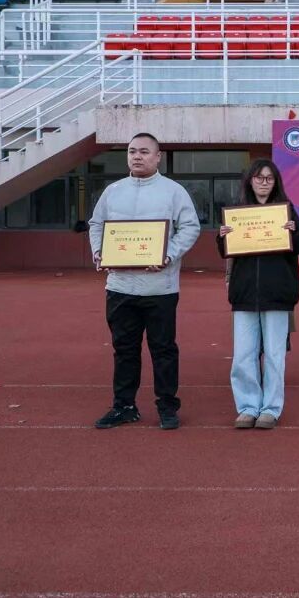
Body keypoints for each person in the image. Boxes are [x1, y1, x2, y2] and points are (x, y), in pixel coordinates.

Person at [88, 132, 201, 430]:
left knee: (163, 350)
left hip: (159, 287)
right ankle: (124, 406)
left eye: (144, 152)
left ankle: (167, 406)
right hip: (120, 286)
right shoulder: (113, 191)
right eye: (132, 151)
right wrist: (99, 252)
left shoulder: (173, 191)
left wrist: (168, 254)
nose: (137, 157)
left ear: (157, 156)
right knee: (124, 350)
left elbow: (190, 227)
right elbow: (96, 224)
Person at [216, 159, 299, 430]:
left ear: (276, 182)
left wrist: (293, 232)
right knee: (243, 355)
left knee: (274, 355)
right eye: (259, 177)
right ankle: (247, 407)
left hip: (277, 294)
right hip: (244, 294)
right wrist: (222, 237)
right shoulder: (237, 212)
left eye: (269, 178)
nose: (264, 182)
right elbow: (226, 251)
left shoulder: (286, 210)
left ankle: (270, 408)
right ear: (250, 181)